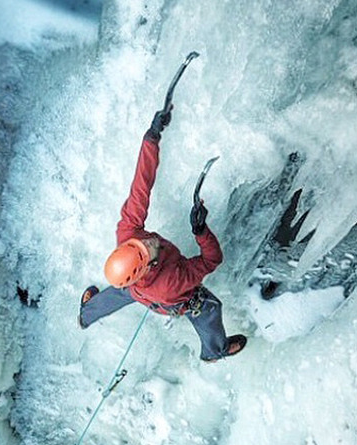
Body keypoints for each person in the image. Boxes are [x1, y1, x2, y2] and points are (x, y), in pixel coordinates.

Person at [78, 108, 246, 362]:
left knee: (119, 292)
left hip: (136, 290)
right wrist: (201, 231)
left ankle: (86, 314)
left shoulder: (128, 233)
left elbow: (140, 187)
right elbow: (212, 260)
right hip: (170, 300)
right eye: (148, 249)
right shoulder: (172, 282)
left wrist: (152, 137)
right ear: (146, 266)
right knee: (210, 310)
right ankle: (215, 350)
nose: (149, 241)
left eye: (142, 243)